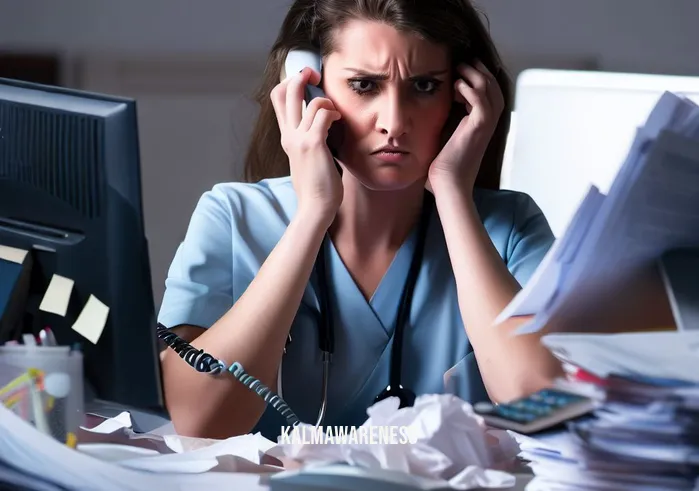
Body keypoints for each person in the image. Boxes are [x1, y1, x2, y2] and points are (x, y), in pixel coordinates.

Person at [158, 0, 563, 440]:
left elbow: (543, 409)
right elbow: (198, 422)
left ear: (463, 98)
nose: (394, 123)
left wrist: (452, 193)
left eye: (425, 86)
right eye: (364, 85)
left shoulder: (510, 227)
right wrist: (313, 212)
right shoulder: (233, 218)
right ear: (306, 89)